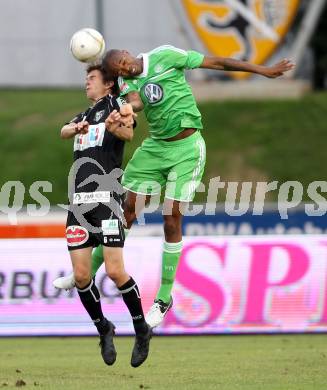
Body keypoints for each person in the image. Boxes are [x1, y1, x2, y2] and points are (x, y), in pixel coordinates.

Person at [54, 46, 295, 328]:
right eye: (119, 70)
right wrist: (130, 106)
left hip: (187, 147)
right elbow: (135, 100)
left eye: (123, 61)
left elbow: (217, 62)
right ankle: (84, 274)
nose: (125, 68)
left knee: (172, 217)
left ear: (129, 53)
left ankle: (163, 297)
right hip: (156, 148)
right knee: (126, 213)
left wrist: (262, 70)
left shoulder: (166, 56)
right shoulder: (127, 85)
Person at [61, 64, 151, 368]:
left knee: (114, 271)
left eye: (92, 79)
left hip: (108, 202)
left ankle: (141, 328)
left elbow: (128, 133)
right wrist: (74, 128)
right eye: (86, 79)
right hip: (79, 205)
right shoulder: (83, 116)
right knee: (82, 276)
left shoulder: (118, 107)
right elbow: (62, 131)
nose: (86, 83)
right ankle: (104, 328)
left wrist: (116, 126)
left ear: (109, 84)